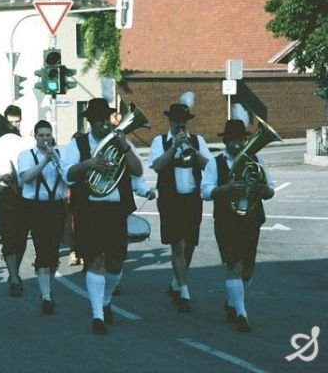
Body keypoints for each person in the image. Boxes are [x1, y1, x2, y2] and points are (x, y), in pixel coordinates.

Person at [62, 98, 143, 334]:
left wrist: (125, 147)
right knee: (95, 260)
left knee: (116, 262)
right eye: (98, 121)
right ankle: (97, 314)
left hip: (116, 209)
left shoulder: (119, 141)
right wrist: (89, 164)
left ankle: (106, 300)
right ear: (90, 122)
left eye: (105, 119)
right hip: (90, 209)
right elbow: (67, 174)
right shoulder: (78, 144)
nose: (103, 125)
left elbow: (138, 170)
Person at [201, 119, 274, 332]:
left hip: (252, 218)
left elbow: (270, 191)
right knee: (235, 265)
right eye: (231, 140)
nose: (236, 144)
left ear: (245, 139)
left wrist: (261, 190)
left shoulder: (258, 160)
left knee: (248, 269)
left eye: (240, 140)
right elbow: (205, 192)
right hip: (226, 220)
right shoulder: (215, 163)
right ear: (225, 141)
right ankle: (242, 315)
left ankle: (232, 303)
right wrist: (226, 188)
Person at [148, 102, 211, 313]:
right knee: (178, 245)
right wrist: (174, 146)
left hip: (192, 198)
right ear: (170, 122)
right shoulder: (160, 141)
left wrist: (191, 149)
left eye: (183, 123)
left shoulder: (197, 141)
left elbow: (208, 166)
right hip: (170, 199)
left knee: (190, 244)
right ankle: (184, 291)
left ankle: (176, 284)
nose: (180, 126)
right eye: (176, 122)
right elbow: (156, 166)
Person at [0, 105, 34, 297]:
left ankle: (16, 271)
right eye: (10, 122)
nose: (14, 125)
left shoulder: (26, 143)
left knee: (21, 239)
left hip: (24, 194)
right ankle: (13, 276)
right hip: (4, 195)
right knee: (9, 239)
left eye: (17, 121)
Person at [17, 120, 67, 314]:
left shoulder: (60, 154)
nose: (45, 139)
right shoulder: (26, 155)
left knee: (53, 251)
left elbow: (68, 179)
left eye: (48, 135)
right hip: (35, 207)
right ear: (35, 136)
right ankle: (46, 296)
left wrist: (59, 164)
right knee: (42, 249)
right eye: (41, 135)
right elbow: (26, 178)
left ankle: (48, 290)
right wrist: (45, 160)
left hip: (56, 206)